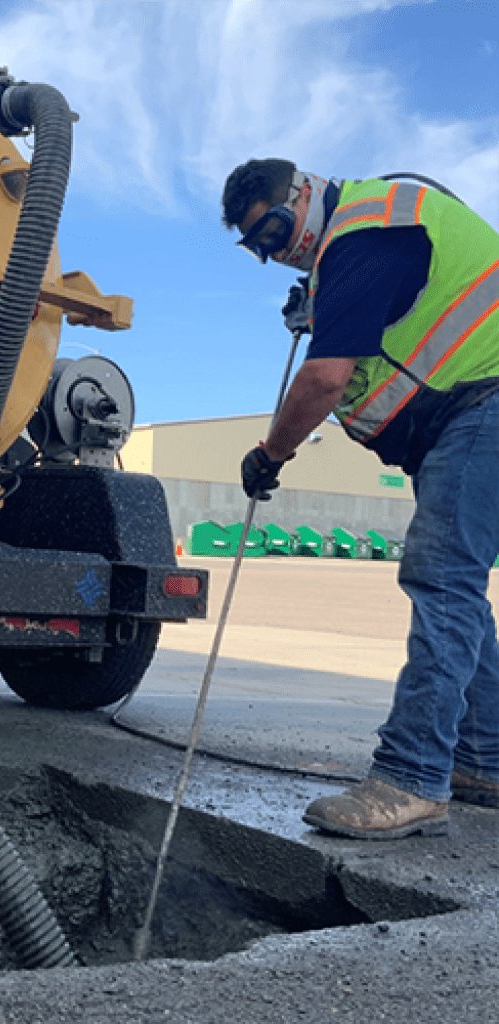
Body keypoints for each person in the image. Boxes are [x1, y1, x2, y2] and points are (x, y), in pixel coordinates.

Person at [221, 159, 499, 839]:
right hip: (464, 413)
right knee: (457, 589)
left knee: (441, 581)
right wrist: (326, 304)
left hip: (484, 405)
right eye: (260, 247)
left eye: (277, 230)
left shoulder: (366, 232)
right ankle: (483, 759)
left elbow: (324, 380)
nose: (278, 250)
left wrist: (270, 454)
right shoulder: (355, 252)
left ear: (306, 192)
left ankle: (410, 777)